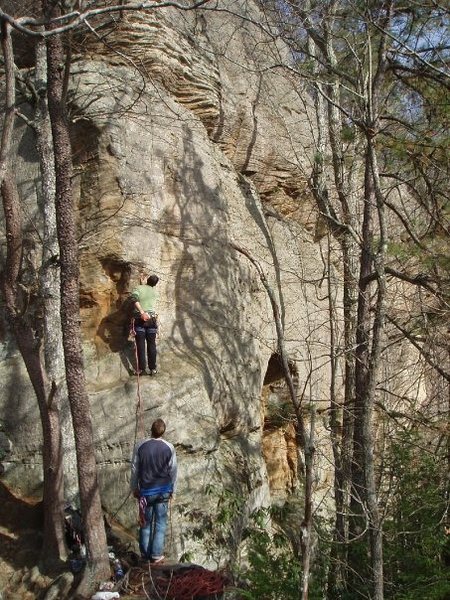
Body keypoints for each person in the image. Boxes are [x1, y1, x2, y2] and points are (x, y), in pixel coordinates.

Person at [130, 418, 177, 563]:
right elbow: (173, 471)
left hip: (146, 492)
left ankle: (145, 555)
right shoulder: (169, 447)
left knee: (145, 523)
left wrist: (134, 488)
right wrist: (173, 491)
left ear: (151, 430)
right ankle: (156, 554)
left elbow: (135, 469)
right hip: (163, 491)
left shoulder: (140, 446)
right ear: (163, 432)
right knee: (160, 524)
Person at [131, 274, 160, 375]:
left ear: (147, 280)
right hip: (151, 320)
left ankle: (141, 369)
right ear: (155, 284)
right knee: (152, 345)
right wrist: (144, 285)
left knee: (140, 345)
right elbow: (147, 292)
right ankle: (153, 369)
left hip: (140, 319)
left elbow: (134, 299)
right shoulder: (155, 292)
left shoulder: (138, 288)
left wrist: (142, 312)